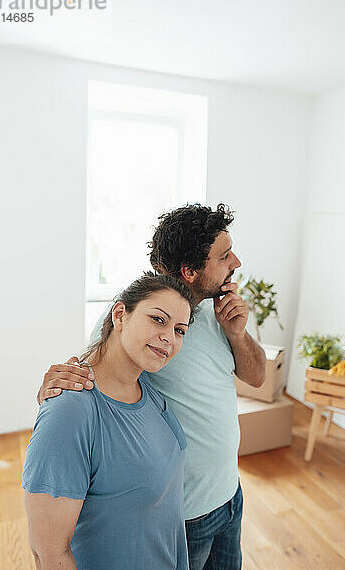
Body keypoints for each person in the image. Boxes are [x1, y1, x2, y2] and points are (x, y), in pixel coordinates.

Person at [38, 203, 266, 570]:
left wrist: (237, 335)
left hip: (230, 495)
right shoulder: (137, 314)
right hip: (185, 514)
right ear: (190, 271)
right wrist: (55, 388)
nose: (235, 262)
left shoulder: (218, 308)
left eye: (179, 329)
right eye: (224, 256)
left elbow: (256, 377)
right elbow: (89, 373)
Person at [23, 272, 196, 570]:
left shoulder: (148, 388)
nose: (169, 336)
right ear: (120, 315)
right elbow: (48, 553)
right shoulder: (69, 411)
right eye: (158, 319)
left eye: (180, 330)